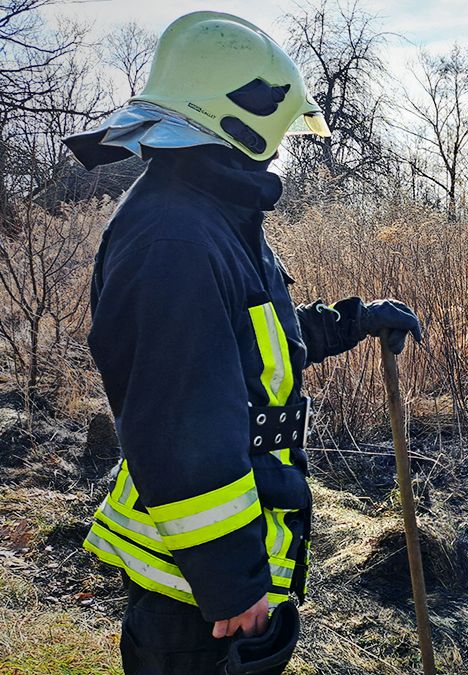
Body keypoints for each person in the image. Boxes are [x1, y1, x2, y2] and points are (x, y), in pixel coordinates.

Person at [62, 11, 421, 674]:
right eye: (276, 132)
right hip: (194, 589)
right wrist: (231, 578)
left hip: (206, 575)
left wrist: (355, 319)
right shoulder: (176, 237)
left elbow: (257, 346)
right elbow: (178, 426)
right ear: (238, 118)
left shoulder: (211, 214)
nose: (278, 149)